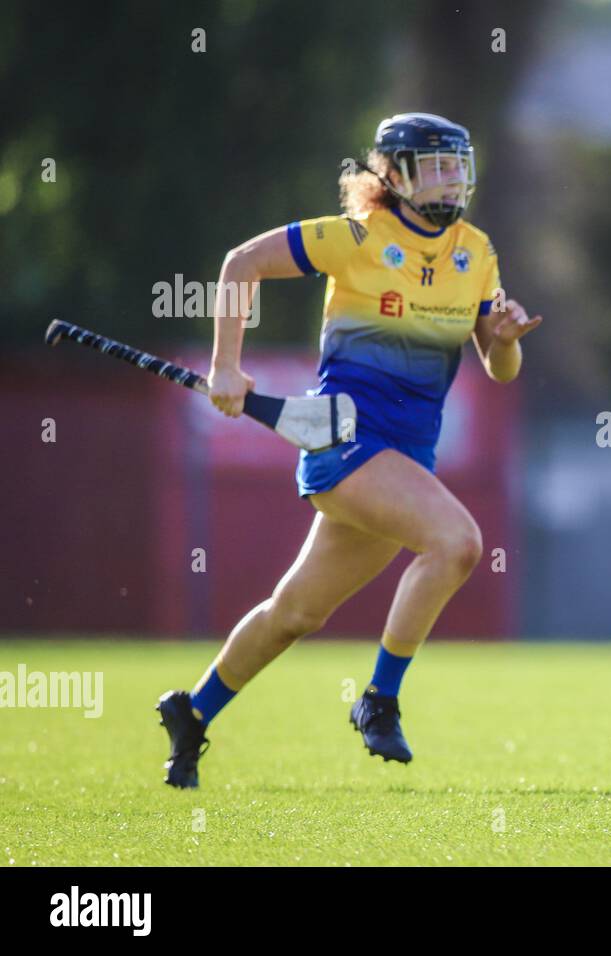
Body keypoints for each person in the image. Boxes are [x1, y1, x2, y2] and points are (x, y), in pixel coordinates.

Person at [156, 113, 542, 788]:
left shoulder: (475, 251)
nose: (453, 177)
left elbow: (498, 367)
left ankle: (195, 711)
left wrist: (505, 338)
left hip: (403, 458)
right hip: (344, 441)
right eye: (437, 164)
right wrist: (226, 366)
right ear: (394, 174)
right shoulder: (358, 237)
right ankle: (380, 700)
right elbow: (241, 263)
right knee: (457, 543)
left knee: (296, 612)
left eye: (458, 164)